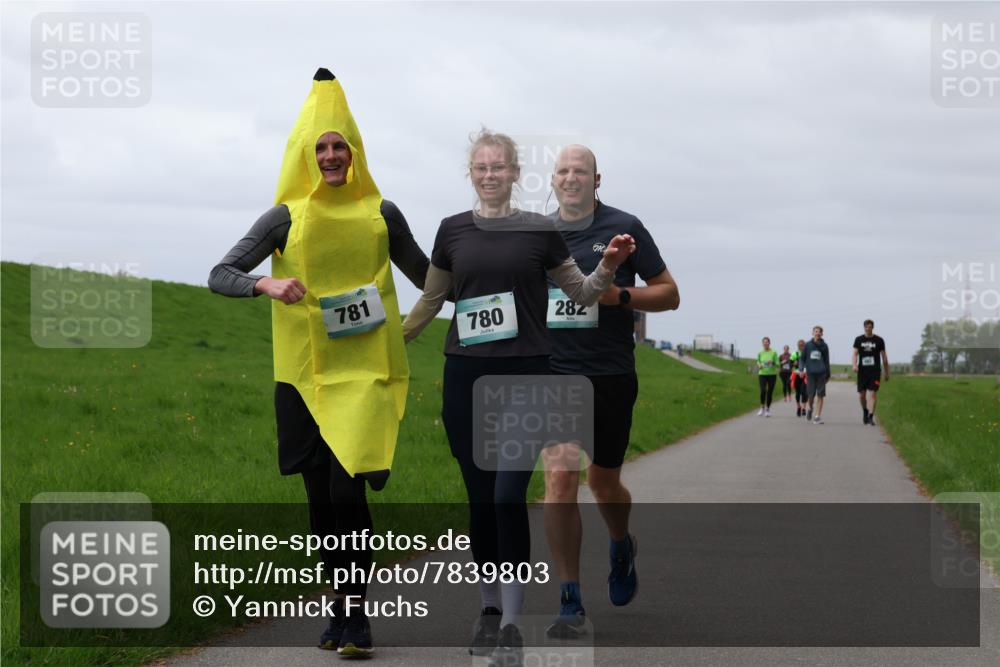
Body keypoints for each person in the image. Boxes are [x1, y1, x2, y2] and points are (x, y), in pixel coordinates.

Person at [208, 69, 430, 657]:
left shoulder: (384, 213)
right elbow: (219, 274)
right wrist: (264, 286)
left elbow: (430, 279)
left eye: (340, 146)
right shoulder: (283, 217)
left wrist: (502, 274)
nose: (331, 156)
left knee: (346, 490)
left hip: (363, 375)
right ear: (307, 156)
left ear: (355, 153)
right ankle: (337, 607)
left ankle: (357, 620)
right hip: (304, 378)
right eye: (322, 148)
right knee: (319, 500)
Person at [402, 130, 635, 665]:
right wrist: (389, 343)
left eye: (499, 166)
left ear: (514, 172)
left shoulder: (539, 229)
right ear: (472, 173)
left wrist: (608, 267)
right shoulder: (452, 231)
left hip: (527, 379)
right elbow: (432, 300)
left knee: (508, 496)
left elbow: (579, 291)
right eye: (481, 167)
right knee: (481, 502)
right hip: (464, 376)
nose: (490, 174)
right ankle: (487, 612)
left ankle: (511, 619)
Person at [541, 145, 680, 638]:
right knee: (559, 478)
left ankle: (621, 543)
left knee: (602, 483)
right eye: (563, 170)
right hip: (555, 374)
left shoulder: (625, 226)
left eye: (581, 171)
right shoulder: (538, 233)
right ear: (552, 180)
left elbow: (670, 294)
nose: (571, 177)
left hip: (611, 374)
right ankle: (569, 599)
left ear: (597, 180)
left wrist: (619, 295)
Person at [852, 319, 890, 425]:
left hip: (875, 371)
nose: (868, 328)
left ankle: (871, 416)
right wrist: (854, 365)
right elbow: (855, 354)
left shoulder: (879, 340)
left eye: (870, 327)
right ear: (864, 327)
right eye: (866, 327)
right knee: (862, 395)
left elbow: (884, 357)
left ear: (873, 327)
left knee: (873, 393)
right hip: (863, 371)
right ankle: (865, 410)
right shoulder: (859, 339)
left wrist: (886, 372)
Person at [802, 326, 831, 424]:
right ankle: (810, 408)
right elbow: (802, 358)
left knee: (820, 395)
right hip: (810, 373)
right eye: (816, 331)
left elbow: (827, 360)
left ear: (822, 334)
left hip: (821, 373)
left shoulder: (824, 346)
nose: (817, 333)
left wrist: (828, 373)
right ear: (812, 333)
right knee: (811, 395)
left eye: (819, 332)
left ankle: (817, 416)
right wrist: (801, 369)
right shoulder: (808, 345)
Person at [756, 337, 779, 417]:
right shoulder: (760, 353)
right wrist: (759, 365)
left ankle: (767, 409)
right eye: (764, 342)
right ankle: (762, 407)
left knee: (770, 392)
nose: (765, 343)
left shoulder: (774, 353)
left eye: (767, 342)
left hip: (772, 374)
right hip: (762, 374)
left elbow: (778, 363)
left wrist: (772, 362)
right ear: (762, 344)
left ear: (769, 343)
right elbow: (758, 361)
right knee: (763, 391)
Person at [791, 339, 808, 417]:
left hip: (805, 375)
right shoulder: (795, 353)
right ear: (797, 345)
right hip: (797, 374)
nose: (801, 346)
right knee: (797, 392)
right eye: (799, 345)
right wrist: (794, 363)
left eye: (802, 345)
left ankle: (804, 408)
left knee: (804, 392)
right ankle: (798, 407)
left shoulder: (808, 353)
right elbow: (790, 363)